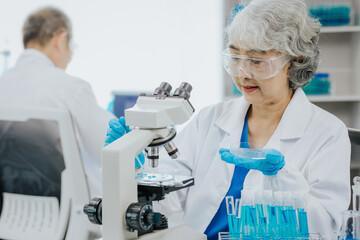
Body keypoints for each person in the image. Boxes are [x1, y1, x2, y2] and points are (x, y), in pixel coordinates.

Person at [105, 0, 350, 238]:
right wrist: (132, 169)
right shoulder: (209, 120)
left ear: (293, 61)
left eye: (256, 61)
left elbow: (327, 225)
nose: (243, 73)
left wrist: (282, 179)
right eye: (235, 58)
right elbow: (163, 202)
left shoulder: (327, 133)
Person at [0, 7, 114, 197]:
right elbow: (111, 152)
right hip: (74, 219)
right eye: (71, 47)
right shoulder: (72, 89)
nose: (69, 56)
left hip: (12, 217)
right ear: (61, 39)